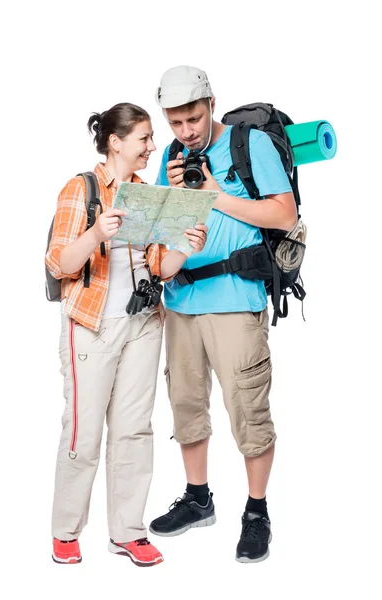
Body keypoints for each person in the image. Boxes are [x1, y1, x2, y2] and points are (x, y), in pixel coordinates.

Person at [46, 102, 208, 567]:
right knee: (84, 429)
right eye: (144, 139)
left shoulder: (148, 194)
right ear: (116, 142)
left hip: (143, 323)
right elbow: (60, 264)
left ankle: (128, 531)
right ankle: (66, 531)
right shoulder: (81, 189)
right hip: (91, 325)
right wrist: (97, 232)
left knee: (135, 430)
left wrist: (183, 247)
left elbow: (159, 267)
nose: (152, 147)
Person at [149, 67, 297, 563]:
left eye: (193, 117)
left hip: (236, 299)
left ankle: (256, 512)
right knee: (186, 405)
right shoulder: (171, 158)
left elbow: (284, 214)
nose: (187, 131)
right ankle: (198, 498)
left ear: (211, 102)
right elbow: (160, 229)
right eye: (175, 122)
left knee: (247, 411)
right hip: (183, 301)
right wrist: (177, 201)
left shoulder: (248, 143)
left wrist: (216, 194)